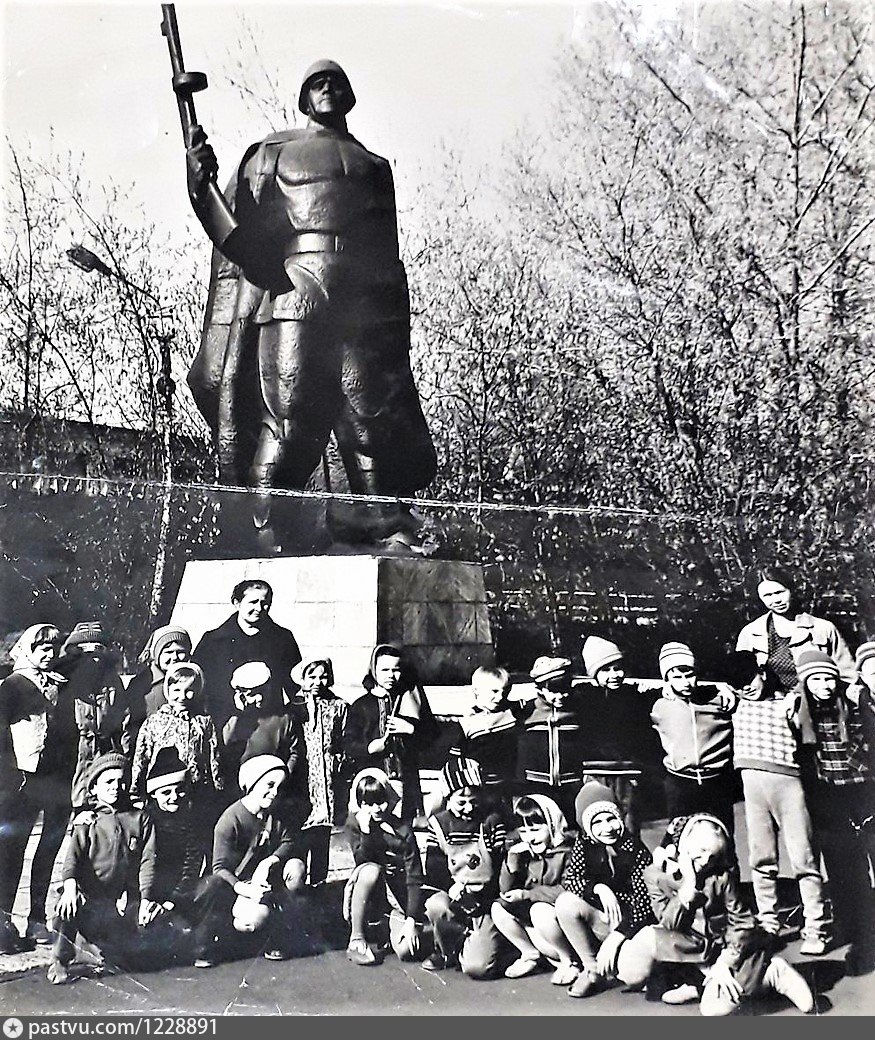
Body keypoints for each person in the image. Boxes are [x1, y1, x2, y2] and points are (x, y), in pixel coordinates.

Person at [185, 59, 437, 549]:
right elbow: (239, 234)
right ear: (303, 97)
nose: (327, 89)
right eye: (317, 83)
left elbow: (389, 254)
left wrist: (392, 330)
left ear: (350, 97)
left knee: (368, 418)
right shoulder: (272, 154)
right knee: (289, 419)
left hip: (361, 303)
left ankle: (382, 524)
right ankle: (263, 529)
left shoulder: (375, 167)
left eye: (336, 83)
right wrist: (201, 189)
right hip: (294, 289)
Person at [635, 814, 814, 1015]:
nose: (706, 861)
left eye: (713, 856)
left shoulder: (722, 878)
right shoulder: (656, 875)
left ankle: (772, 973)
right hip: (694, 948)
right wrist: (688, 888)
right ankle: (700, 984)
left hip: (726, 948)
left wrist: (725, 963)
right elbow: (669, 923)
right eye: (702, 851)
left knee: (713, 1009)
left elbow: (742, 924)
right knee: (638, 953)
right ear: (684, 846)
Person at [725, 650, 829, 955]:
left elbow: (810, 702)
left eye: (748, 679)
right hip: (753, 789)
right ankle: (769, 923)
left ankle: (815, 926)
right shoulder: (734, 702)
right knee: (761, 859)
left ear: (762, 672)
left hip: (788, 786)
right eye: (737, 683)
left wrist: (796, 700)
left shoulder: (788, 702)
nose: (745, 687)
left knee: (803, 857)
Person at [47, 753, 160, 985]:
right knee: (65, 906)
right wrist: (70, 887)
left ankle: (90, 947)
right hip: (87, 896)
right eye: (108, 781)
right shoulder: (88, 821)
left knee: (127, 959)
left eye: (121, 781)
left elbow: (148, 860)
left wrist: (145, 898)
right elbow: (71, 861)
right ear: (94, 787)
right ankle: (59, 959)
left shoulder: (140, 818)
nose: (116, 787)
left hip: (115, 901)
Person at [796, 649, 875, 974]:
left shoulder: (853, 702)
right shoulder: (800, 710)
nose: (824, 685)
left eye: (828, 678)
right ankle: (857, 933)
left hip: (861, 787)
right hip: (827, 794)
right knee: (843, 866)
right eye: (815, 679)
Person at [0, 624, 75, 951]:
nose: (49, 654)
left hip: (54, 777)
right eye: (42, 648)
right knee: (12, 849)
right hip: (22, 779)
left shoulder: (60, 683)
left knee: (49, 846)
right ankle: (4, 922)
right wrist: (9, 775)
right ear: (27, 650)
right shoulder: (13, 686)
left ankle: (36, 918)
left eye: (53, 648)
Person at [197, 755, 307, 966]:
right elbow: (219, 868)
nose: (274, 792)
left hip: (268, 881)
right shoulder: (230, 820)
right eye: (269, 785)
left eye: (279, 787)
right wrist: (243, 888)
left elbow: (289, 840)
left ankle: (281, 933)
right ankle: (241, 936)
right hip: (241, 886)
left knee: (296, 868)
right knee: (251, 921)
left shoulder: (277, 814)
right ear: (252, 784)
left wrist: (269, 861)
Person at [554, 782, 654, 999]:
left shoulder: (636, 850)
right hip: (603, 918)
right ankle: (592, 969)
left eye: (610, 819)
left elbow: (645, 904)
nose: (606, 828)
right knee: (565, 903)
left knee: (633, 975)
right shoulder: (584, 844)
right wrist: (598, 888)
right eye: (597, 822)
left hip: (631, 926)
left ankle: (623, 962)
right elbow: (571, 879)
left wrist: (616, 937)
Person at [422, 759, 508, 978]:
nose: (469, 808)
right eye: (461, 802)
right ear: (448, 798)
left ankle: (485, 943)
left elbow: (501, 867)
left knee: (478, 968)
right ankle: (447, 949)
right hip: (455, 896)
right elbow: (434, 870)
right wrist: (453, 888)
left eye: (474, 801)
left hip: (486, 900)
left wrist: (482, 898)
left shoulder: (491, 821)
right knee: (435, 905)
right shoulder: (439, 824)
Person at [577, 636, 665, 837]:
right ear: (593, 674)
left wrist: (722, 689)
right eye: (605, 670)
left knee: (629, 828)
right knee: (596, 829)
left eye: (617, 668)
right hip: (595, 774)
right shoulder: (583, 698)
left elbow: (668, 692)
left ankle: (631, 858)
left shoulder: (634, 697)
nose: (614, 675)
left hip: (627, 775)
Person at [649, 642, 738, 836]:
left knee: (722, 839)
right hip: (680, 783)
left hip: (716, 782)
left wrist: (725, 688)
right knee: (680, 839)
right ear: (666, 679)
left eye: (689, 675)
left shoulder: (718, 699)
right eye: (677, 677)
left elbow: (750, 691)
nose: (685, 682)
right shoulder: (659, 705)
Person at [192, 579, 301, 732]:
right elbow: (197, 685)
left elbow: (295, 685)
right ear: (237, 603)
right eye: (253, 602)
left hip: (269, 725)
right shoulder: (213, 641)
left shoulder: (282, 639)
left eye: (265, 603)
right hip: (224, 723)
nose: (259, 608)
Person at [343, 644, 437, 822]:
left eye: (396, 670)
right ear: (373, 670)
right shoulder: (361, 706)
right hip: (372, 783)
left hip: (405, 782)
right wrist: (369, 748)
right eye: (384, 670)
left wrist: (411, 729)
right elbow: (348, 744)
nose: (391, 675)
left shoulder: (410, 699)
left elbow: (432, 737)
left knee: (403, 830)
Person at [491, 794, 579, 983]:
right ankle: (530, 954)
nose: (530, 837)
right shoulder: (524, 852)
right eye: (523, 831)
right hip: (541, 930)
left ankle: (569, 961)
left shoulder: (569, 852)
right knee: (498, 907)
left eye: (536, 829)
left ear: (553, 825)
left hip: (563, 927)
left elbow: (568, 890)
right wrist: (511, 863)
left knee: (539, 910)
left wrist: (526, 894)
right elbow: (505, 891)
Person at [343, 768, 424, 966]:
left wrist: (411, 919)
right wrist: (366, 832)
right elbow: (362, 861)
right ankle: (356, 939)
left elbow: (414, 875)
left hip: (395, 897)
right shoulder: (355, 824)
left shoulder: (401, 830)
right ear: (359, 804)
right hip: (367, 892)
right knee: (371, 870)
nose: (376, 808)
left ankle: (390, 925)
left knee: (407, 951)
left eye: (380, 801)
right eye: (368, 803)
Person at [141, 748, 215, 965]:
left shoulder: (192, 818)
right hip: (152, 892)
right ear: (153, 794)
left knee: (212, 885)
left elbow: (192, 864)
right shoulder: (145, 820)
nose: (174, 797)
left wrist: (172, 902)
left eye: (180, 790)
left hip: (182, 892)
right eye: (166, 793)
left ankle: (198, 944)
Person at [736, 565, 856, 689]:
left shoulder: (823, 628)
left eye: (779, 592)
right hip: (770, 699)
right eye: (768, 595)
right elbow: (739, 676)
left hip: (815, 698)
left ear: (791, 590)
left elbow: (848, 675)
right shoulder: (750, 633)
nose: (776, 600)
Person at [220, 662, 306, 828]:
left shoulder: (284, 719)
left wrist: (281, 779)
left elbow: (295, 752)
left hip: (276, 789)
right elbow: (225, 745)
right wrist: (239, 714)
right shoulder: (236, 721)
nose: (259, 698)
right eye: (252, 694)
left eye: (263, 692)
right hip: (244, 791)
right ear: (241, 695)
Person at [56, 621, 130, 811]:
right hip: (71, 752)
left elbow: (123, 718)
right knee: (67, 805)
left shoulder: (112, 681)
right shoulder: (63, 681)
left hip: (104, 749)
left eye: (97, 651)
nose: (91, 658)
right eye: (84, 652)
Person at [131, 662, 223, 808]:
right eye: (176, 690)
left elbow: (214, 756)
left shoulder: (204, 721)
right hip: (164, 792)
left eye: (189, 690)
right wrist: (136, 792)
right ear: (167, 690)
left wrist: (218, 788)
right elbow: (141, 757)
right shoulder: (155, 721)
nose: (182, 696)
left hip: (196, 792)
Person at [293, 657, 347, 887]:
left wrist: (339, 763)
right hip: (302, 781)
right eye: (312, 677)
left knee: (321, 837)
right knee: (298, 839)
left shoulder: (339, 706)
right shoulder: (294, 707)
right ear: (302, 679)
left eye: (323, 676)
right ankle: (297, 888)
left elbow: (344, 742)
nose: (318, 682)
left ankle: (318, 886)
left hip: (327, 782)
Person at [517, 656, 588, 823]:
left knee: (573, 825)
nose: (561, 695)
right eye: (554, 691)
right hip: (536, 782)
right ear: (540, 689)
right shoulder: (526, 711)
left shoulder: (578, 710)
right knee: (542, 824)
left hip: (571, 782)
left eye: (565, 689)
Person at [443, 665, 523, 806]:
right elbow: (455, 761)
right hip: (480, 789)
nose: (500, 697)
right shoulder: (467, 722)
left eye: (505, 691)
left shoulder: (514, 711)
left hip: (510, 784)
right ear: (476, 690)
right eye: (494, 691)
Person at [126, 625, 193, 746]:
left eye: (180, 652)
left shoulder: (195, 680)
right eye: (168, 652)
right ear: (157, 655)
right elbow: (130, 727)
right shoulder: (141, 685)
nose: (174, 657)